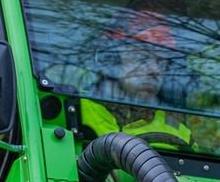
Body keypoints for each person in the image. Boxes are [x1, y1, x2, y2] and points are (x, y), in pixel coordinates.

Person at [77, 12, 193, 148]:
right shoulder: (73, 109)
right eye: (142, 58)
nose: (155, 70)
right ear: (112, 60)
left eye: (161, 62)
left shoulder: (180, 135)